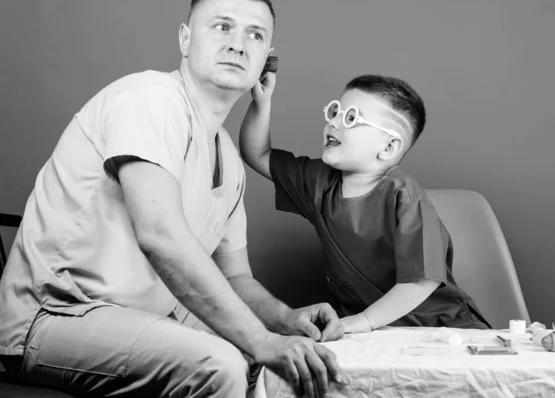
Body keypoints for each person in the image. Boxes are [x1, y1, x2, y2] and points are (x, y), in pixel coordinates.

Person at [0, 0, 347, 397]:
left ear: (265, 61)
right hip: (57, 314)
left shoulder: (229, 159)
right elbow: (159, 235)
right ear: (185, 39)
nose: (238, 44)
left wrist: (285, 319)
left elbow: (235, 277)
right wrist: (262, 340)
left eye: (255, 34)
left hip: (149, 316)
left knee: (281, 365)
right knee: (220, 366)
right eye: (221, 26)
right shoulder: (149, 98)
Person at [239, 73, 492, 334]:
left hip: (440, 328)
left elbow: (421, 282)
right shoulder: (318, 181)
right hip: (370, 333)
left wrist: (365, 321)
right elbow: (257, 154)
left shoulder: (404, 196)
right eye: (335, 111)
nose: (334, 123)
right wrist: (262, 102)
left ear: (390, 146)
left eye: (350, 118)